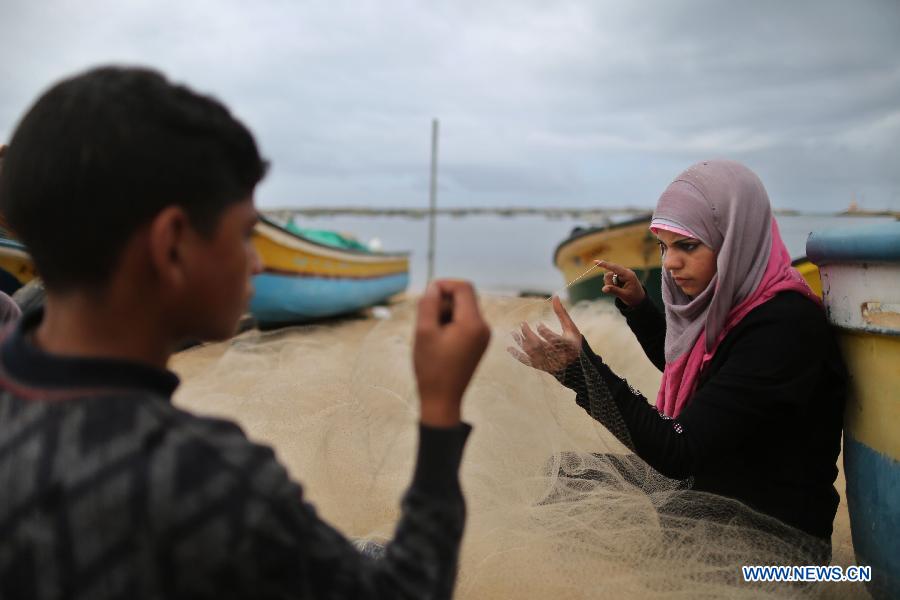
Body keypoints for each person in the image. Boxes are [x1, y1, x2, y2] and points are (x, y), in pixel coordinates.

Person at [0, 66, 491, 598]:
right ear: (173, 245)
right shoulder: (208, 477)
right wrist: (441, 409)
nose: (256, 264)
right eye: (245, 234)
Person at [510, 159, 846, 561]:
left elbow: (677, 451)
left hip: (772, 548)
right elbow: (696, 369)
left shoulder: (783, 327)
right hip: (715, 493)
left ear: (736, 237)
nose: (669, 263)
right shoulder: (743, 309)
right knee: (570, 476)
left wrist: (579, 369)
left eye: (687, 245)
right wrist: (639, 307)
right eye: (664, 247)